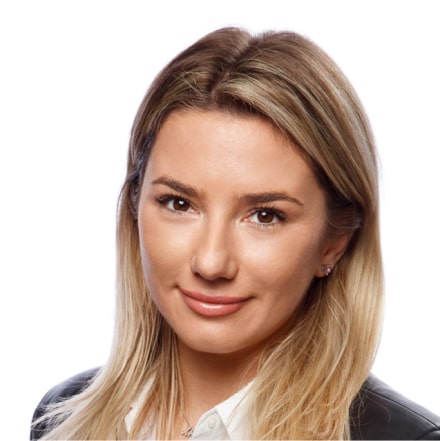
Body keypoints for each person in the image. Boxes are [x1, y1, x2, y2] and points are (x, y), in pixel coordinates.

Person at [30, 27, 440, 440]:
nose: (211, 263)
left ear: (336, 239)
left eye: (265, 216)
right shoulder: (64, 418)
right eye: (179, 204)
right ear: (135, 205)